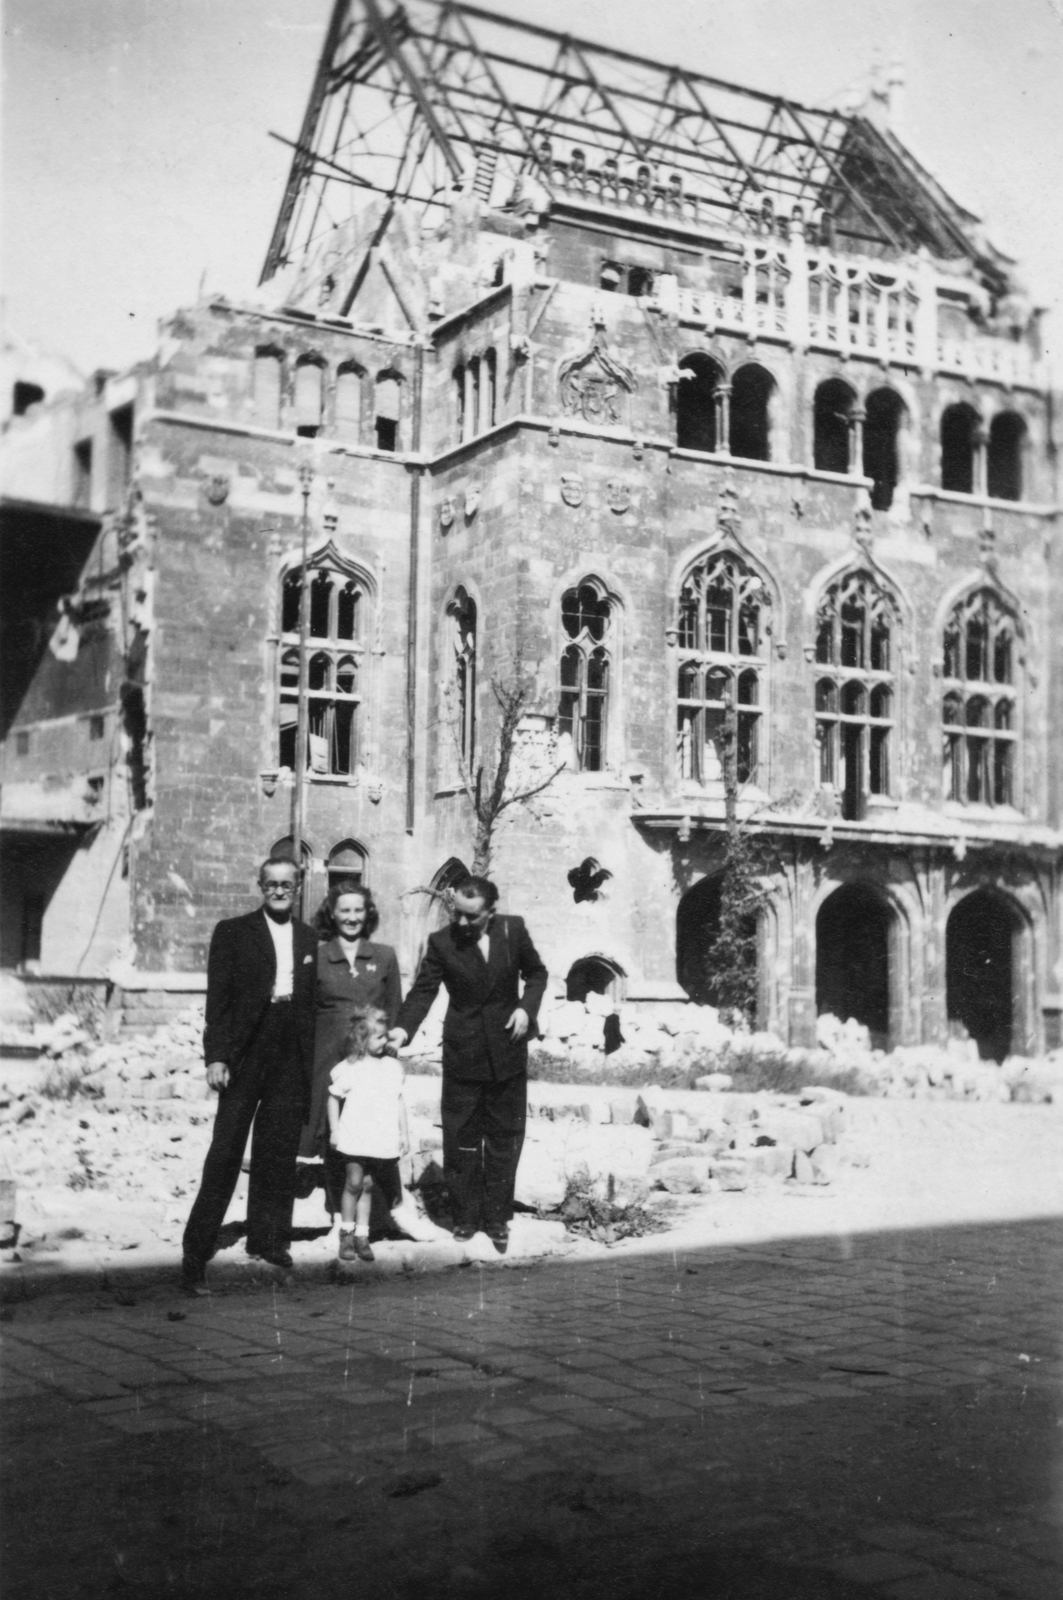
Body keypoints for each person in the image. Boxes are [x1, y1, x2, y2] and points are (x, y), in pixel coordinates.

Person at [181, 856, 317, 1294]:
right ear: (260, 886)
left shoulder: (310, 936)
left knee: (278, 1150)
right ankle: (196, 1249)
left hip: (289, 1050)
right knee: (226, 1149)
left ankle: (268, 1239)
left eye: (288, 885)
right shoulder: (233, 931)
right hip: (246, 1049)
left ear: (298, 889)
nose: (279, 891)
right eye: (271, 884)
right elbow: (218, 999)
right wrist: (216, 1056)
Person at [390, 875, 547, 1254]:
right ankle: (464, 1216)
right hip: (465, 1052)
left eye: (471, 917)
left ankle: (496, 1217)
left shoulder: (514, 929)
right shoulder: (442, 942)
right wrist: (401, 1030)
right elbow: (423, 991)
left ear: (490, 913)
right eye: (456, 913)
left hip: (507, 1051)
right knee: (460, 1137)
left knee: (504, 1137)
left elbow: (537, 974)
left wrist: (527, 1009)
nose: (461, 923)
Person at [300, 880, 402, 1215]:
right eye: (345, 910)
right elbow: (305, 1010)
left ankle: (380, 1215)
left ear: (367, 913)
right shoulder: (316, 955)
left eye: (359, 910)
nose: (352, 917)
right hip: (326, 1054)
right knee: (333, 1131)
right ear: (332, 913)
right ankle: (335, 1212)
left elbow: (393, 1009)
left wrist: (388, 1046)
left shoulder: (384, 956)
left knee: (371, 1130)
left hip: (369, 1062)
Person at [327, 1006, 409, 1263]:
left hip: (379, 1135)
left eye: (385, 1036)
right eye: (379, 1037)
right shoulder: (350, 1067)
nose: (385, 1041)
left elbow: (399, 1101)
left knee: (369, 1184)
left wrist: (404, 1133)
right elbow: (333, 1097)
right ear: (361, 1040)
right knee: (353, 1182)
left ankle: (363, 1235)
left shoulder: (392, 1067)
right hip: (355, 1134)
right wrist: (335, 1130)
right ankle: (347, 1233)